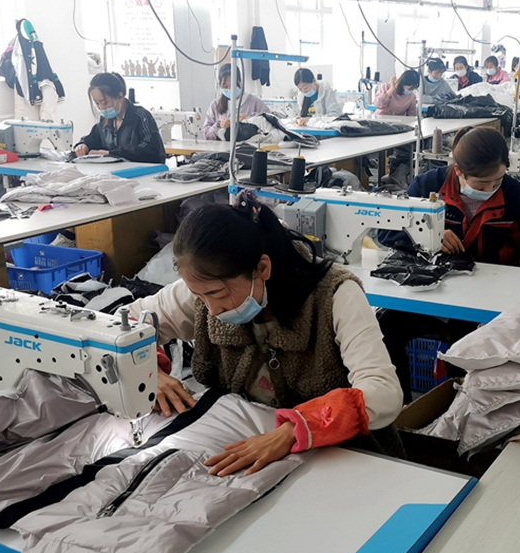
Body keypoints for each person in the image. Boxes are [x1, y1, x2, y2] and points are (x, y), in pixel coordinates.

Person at [128, 192, 406, 472]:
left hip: (346, 459)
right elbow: (123, 323)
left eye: (217, 295)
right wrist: (148, 371)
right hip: (252, 446)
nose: (211, 310)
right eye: (200, 297)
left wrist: (296, 428)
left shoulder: (335, 295)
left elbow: (383, 392)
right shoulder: (204, 288)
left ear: (262, 268)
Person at [378, 126, 520, 401]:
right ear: (458, 171)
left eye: (498, 180)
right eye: (482, 184)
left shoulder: (515, 194)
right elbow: (386, 232)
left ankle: (461, 408)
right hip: (434, 292)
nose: (491, 189)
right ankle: (402, 410)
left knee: (466, 347)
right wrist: (429, 236)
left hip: (488, 296)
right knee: (384, 330)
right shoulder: (427, 186)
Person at [75, 72, 165, 163]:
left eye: (104, 102)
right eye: (97, 103)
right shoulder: (105, 121)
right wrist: (83, 145)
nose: (101, 107)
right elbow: (92, 139)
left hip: (142, 169)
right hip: (115, 170)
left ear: (120, 96)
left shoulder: (141, 117)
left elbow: (152, 150)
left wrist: (112, 154)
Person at [201, 64, 271, 141]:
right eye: (225, 86)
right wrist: (218, 125)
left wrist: (250, 119)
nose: (230, 89)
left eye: (233, 85)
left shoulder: (255, 103)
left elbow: (271, 126)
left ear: (240, 82)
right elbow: (206, 134)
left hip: (248, 147)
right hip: (221, 148)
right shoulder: (215, 105)